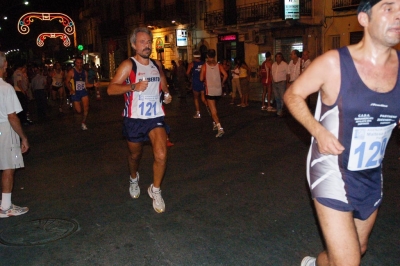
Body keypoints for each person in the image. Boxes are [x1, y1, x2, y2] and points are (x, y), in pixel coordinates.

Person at [284, 1, 400, 265]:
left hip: (370, 171)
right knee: (349, 262)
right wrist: (318, 131)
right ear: (364, 19)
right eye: (389, 8)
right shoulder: (334, 63)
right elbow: (293, 94)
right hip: (331, 168)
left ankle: (314, 264)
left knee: (357, 248)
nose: (398, 16)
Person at [107, 27, 172, 213]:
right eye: (142, 42)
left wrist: (166, 94)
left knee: (161, 154)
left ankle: (156, 189)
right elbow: (111, 89)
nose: (147, 45)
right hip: (134, 119)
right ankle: (134, 177)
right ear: (134, 45)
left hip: (155, 117)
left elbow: (163, 85)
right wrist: (133, 86)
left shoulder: (157, 64)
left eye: (149, 42)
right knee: (135, 155)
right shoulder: (129, 65)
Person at [0, 52, 30, 218]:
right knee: (8, 167)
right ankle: (5, 206)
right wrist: (23, 137)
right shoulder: (5, 88)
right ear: (4, 65)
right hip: (4, 128)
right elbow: (12, 116)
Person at [200, 49, 228, 137]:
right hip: (218, 90)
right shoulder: (219, 65)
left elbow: (201, 79)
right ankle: (215, 123)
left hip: (210, 90)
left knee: (213, 110)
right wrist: (222, 83)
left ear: (207, 56)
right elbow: (226, 75)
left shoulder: (204, 66)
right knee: (214, 107)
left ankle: (220, 127)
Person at [65, 57, 98, 130]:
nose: (79, 64)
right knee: (79, 110)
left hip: (83, 91)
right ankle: (77, 116)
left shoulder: (85, 72)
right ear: (75, 63)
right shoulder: (71, 72)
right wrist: (71, 89)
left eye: (81, 63)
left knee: (86, 107)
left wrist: (93, 85)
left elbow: (86, 84)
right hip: (75, 93)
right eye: (78, 63)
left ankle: (83, 122)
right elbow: (66, 82)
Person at [186, 50, 209, 118]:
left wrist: (190, 77)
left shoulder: (192, 64)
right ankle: (209, 107)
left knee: (196, 98)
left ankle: (198, 113)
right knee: (203, 98)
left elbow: (187, 73)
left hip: (195, 81)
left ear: (194, 56)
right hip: (202, 82)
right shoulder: (203, 63)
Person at [271, 52, 288, 117]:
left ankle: (282, 111)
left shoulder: (284, 64)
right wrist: (273, 80)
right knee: (277, 97)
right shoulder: (274, 65)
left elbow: (287, 74)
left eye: (279, 57)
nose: (277, 58)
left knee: (282, 97)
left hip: (281, 83)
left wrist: (286, 83)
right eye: (276, 57)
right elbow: (272, 73)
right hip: (275, 83)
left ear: (281, 57)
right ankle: (278, 110)